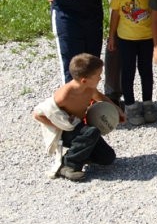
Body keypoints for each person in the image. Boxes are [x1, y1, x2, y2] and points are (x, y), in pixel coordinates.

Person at [32, 53, 125, 181]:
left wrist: (117, 109)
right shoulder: (64, 95)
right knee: (92, 132)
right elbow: (38, 114)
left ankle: (80, 154)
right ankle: (68, 165)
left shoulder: (89, 88)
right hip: (66, 130)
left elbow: (100, 98)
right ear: (84, 80)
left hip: (79, 127)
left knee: (108, 158)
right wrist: (59, 126)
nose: (100, 78)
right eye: (98, 75)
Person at [107, 0, 157, 125]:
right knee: (128, 72)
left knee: (146, 71)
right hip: (126, 39)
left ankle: (148, 103)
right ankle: (130, 104)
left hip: (146, 38)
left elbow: (156, 13)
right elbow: (115, 16)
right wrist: (111, 36)